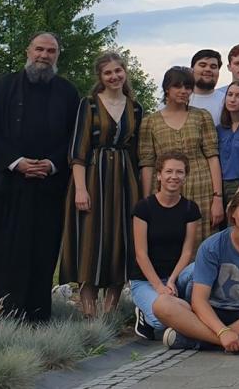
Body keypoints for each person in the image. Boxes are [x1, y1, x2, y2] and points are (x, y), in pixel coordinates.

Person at [0, 32, 80, 322]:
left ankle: (36, 314)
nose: (44, 55)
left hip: (48, 189)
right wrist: (17, 163)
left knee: (42, 251)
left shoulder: (68, 93)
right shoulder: (4, 87)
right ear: (28, 51)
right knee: (0, 250)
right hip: (8, 187)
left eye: (51, 51)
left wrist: (51, 164)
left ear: (57, 55)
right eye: (39, 49)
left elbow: (74, 138)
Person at [61, 51, 144, 317]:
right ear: (100, 76)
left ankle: (109, 314)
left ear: (125, 72)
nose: (114, 76)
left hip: (125, 181)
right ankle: (89, 312)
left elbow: (138, 152)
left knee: (122, 240)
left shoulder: (136, 108)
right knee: (90, 241)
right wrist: (80, 189)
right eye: (108, 72)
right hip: (92, 178)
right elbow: (78, 149)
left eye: (118, 71)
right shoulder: (89, 105)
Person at [155, 187, 239, 352]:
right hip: (212, 313)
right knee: (162, 304)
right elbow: (199, 300)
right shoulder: (211, 246)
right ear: (233, 213)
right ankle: (231, 340)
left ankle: (198, 340)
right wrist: (222, 332)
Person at [138, 67, 224, 249]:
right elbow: (147, 163)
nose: (184, 91)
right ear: (167, 88)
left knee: (203, 243)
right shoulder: (150, 122)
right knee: (167, 239)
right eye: (178, 86)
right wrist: (147, 201)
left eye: (188, 87)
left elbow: (212, 156)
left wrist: (218, 197)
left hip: (202, 187)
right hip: (166, 188)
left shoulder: (201, 116)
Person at [130, 153, 201, 340]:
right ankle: (147, 314)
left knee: (199, 267)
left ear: (185, 176)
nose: (174, 176)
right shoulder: (143, 208)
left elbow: (187, 252)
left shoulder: (190, 209)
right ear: (159, 175)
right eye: (169, 171)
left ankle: (185, 308)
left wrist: (171, 281)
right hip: (146, 280)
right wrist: (159, 287)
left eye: (179, 172)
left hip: (175, 278)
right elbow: (141, 254)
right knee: (161, 322)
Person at [189, 49, 225, 124]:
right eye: (203, 65)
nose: (208, 69)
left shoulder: (227, 102)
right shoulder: (178, 100)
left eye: (213, 67)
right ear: (192, 69)